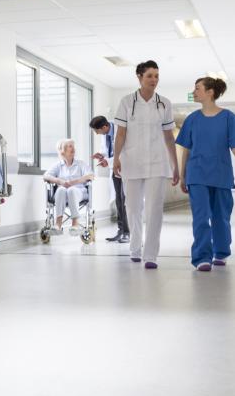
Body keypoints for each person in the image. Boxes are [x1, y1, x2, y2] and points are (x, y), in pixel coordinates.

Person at [113, 61, 179, 269]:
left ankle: (150, 255)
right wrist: (115, 158)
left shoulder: (164, 103)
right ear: (139, 77)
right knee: (132, 208)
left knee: (154, 209)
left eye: (157, 76)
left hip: (158, 163)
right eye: (150, 75)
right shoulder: (126, 102)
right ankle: (135, 247)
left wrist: (175, 165)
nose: (154, 80)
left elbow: (169, 137)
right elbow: (121, 133)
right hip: (131, 162)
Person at [176, 77, 235, 271]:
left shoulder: (228, 117)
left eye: (198, 88)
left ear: (210, 92)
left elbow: (234, 147)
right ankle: (202, 257)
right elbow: (186, 149)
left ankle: (221, 252)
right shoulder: (192, 119)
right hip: (197, 174)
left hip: (221, 174)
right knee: (201, 217)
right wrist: (183, 175)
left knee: (221, 217)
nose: (194, 91)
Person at [90, 116, 130, 243]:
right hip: (115, 169)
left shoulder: (121, 130)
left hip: (126, 168)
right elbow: (109, 151)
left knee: (125, 200)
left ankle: (128, 233)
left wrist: (107, 161)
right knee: (118, 200)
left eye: (97, 131)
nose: (97, 133)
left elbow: (124, 151)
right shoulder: (106, 134)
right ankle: (121, 230)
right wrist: (102, 156)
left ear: (105, 127)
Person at [44, 139, 94, 236]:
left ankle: (75, 224)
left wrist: (73, 182)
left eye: (73, 146)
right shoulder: (58, 165)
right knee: (61, 189)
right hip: (62, 195)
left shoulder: (80, 164)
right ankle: (58, 224)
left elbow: (90, 176)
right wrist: (60, 181)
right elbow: (46, 176)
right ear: (62, 150)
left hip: (79, 192)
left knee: (71, 190)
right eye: (70, 146)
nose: (73, 148)